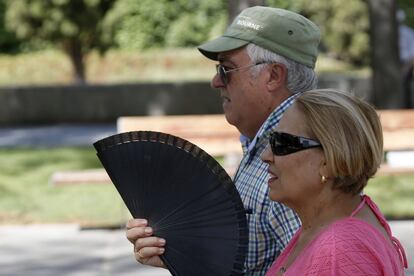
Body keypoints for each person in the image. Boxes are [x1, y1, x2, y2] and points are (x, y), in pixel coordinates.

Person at [126, 6, 321, 274]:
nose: (216, 81)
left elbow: (317, 267)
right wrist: (183, 253)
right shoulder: (267, 144)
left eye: (226, 70)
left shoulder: (295, 158)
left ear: (273, 76)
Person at [261, 89, 408, 275]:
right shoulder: (327, 224)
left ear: (328, 161)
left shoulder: (338, 250)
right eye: (271, 140)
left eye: (281, 143)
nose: (265, 155)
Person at [398, 10, 414, 108]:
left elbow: (412, 53)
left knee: (406, 88)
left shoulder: (408, 32)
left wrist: (407, 67)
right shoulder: (409, 32)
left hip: (406, 63)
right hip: (403, 63)